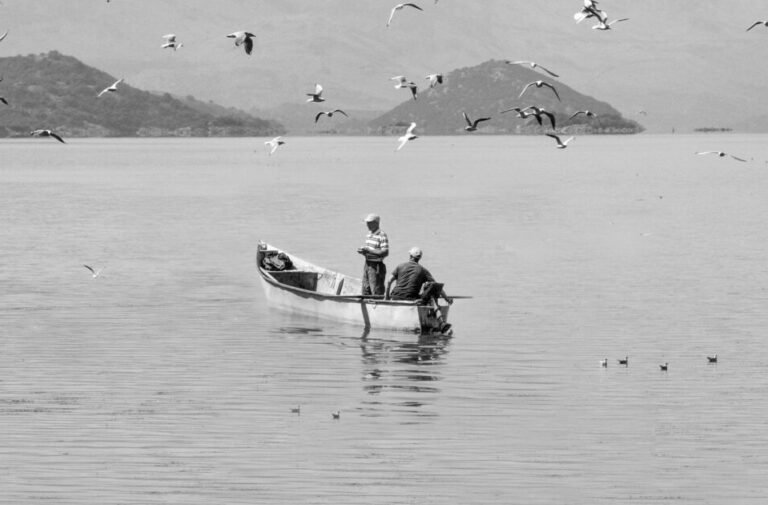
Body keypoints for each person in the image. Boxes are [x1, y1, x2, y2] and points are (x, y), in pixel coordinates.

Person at [385, 246, 453, 332]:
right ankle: (440, 321)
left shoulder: (400, 266)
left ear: (410, 256)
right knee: (432, 289)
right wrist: (447, 299)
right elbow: (437, 287)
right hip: (411, 298)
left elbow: (388, 282)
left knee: (428, 289)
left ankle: (439, 322)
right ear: (419, 258)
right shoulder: (423, 270)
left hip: (395, 297)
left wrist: (386, 298)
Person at [357, 213, 389, 296]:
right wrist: (363, 252)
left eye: (370, 223)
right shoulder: (369, 234)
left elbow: (385, 252)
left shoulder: (382, 235)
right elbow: (369, 251)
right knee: (365, 288)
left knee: (376, 290)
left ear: (376, 223)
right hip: (367, 264)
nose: (367, 225)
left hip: (377, 266)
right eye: (367, 223)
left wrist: (369, 250)